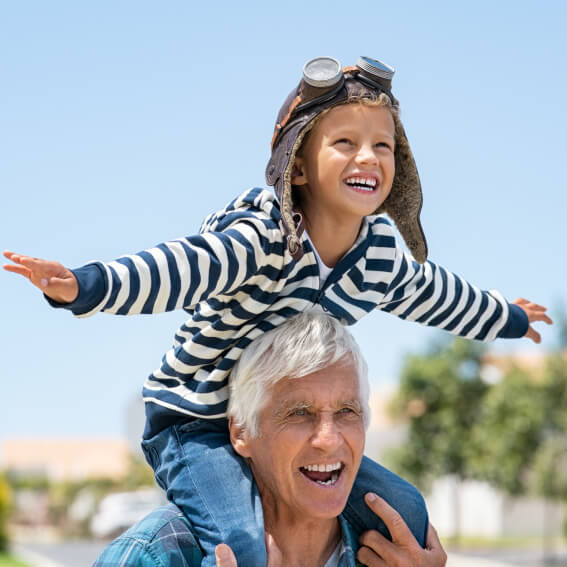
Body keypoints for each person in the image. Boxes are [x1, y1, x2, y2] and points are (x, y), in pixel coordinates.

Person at [4, 55, 551, 567]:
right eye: (345, 142)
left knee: (405, 510)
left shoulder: (379, 255)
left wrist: (510, 317)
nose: (368, 157)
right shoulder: (263, 239)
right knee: (242, 544)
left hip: (282, 425)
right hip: (195, 421)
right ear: (298, 168)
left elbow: (438, 295)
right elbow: (176, 269)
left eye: (383, 146)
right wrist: (84, 285)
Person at [93, 312, 448, 566]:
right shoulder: (157, 554)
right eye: (299, 413)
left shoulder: (398, 555)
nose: (328, 439)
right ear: (241, 431)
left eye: (347, 412)